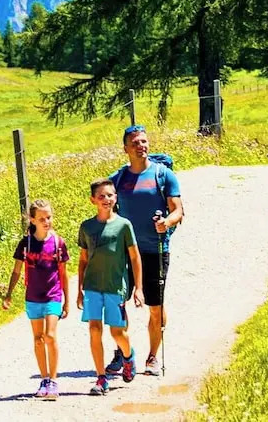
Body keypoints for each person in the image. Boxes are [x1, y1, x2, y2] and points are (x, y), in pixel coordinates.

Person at [106, 125, 183, 377]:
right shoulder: (118, 179)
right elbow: (107, 209)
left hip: (155, 249)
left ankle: (152, 357)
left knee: (155, 306)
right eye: (135, 143)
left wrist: (166, 222)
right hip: (124, 252)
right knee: (117, 303)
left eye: (143, 141)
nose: (141, 146)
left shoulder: (163, 175)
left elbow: (178, 210)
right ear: (126, 148)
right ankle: (123, 352)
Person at [77, 178, 144, 396]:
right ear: (93, 200)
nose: (106, 199)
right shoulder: (87, 227)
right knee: (94, 329)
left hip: (115, 287)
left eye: (110, 195)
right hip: (92, 286)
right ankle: (101, 377)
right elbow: (83, 260)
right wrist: (79, 289)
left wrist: (138, 288)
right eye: (101, 196)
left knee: (117, 332)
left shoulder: (124, 225)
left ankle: (128, 356)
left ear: (116, 197)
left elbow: (135, 257)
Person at [1, 199, 69, 400]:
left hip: (53, 296)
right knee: (38, 340)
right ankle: (44, 379)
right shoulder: (26, 243)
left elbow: (63, 273)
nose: (46, 221)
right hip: (32, 297)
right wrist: (9, 293)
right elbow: (16, 271)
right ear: (32, 220)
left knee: (50, 336)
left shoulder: (58, 243)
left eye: (49, 217)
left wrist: (67, 300)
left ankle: (54, 380)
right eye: (42, 219)